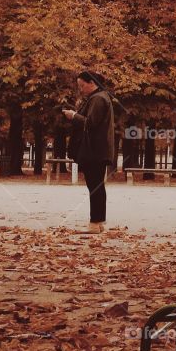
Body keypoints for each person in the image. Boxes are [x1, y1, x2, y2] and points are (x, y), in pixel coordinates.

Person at [64, 71, 115, 233]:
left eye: (82, 85)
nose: (81, 89)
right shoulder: (102, 97)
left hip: (94, 150)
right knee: (97, 186)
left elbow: (90, 123)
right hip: (98, 149)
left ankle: (95, 222)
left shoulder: (98, 98)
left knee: (94, 186)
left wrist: (74, 116)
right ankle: (98, 222)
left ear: (91, 82)